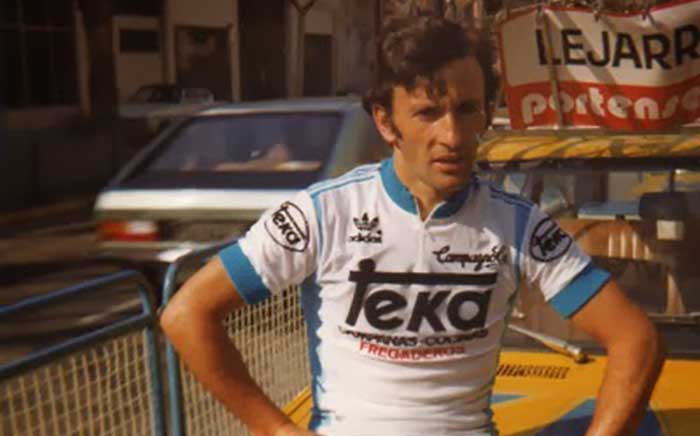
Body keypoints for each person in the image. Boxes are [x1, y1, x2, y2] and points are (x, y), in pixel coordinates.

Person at [160, 16, 665, 436]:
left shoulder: (519, 223)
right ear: (385, 122)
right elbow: (186, 314)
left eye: (467, 110)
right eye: (428, 112)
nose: (453, 136)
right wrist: (274, 429)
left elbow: (636, 340)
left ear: (487, 112)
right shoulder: (324, 212)